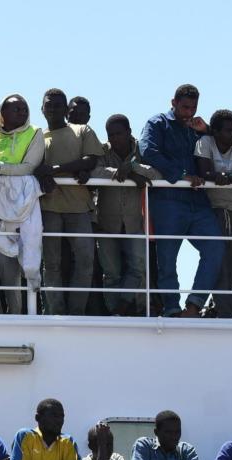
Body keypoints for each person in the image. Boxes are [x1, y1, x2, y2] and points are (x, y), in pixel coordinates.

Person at [139, 84, 224, 317]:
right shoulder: (157, 123)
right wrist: (180, 175)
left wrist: (207, 132)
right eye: (185, 107)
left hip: (198, 202)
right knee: (167, 259)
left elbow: (220, 150)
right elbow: (147, 150)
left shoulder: (196, 128)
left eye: (193, 107)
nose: (189, 112)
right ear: (173, 103)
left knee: (216, 247)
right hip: (168, 200)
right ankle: (171, 309)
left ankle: (195, 305)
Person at [35, 88, 104, 315]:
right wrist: (43, 176)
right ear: (42, 108)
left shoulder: (81, 130)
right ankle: (56, 312)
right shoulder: (36, 137)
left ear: (66, 109)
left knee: (85, 261)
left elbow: (91, 160)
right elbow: (33, 168)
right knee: (51, 263)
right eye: (49, 105)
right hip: (49, 207)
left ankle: (76, 312)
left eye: (57, 105)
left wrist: (56, 170)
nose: (53, 109)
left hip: (79, 207)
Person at [0, 94, 46, 314]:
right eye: (16, 109)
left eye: (24, 108)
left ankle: (16, 313)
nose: (22, 112)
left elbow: (29, 167)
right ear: (2, 113)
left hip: (12, 209)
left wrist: (0, 167)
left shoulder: (34, 133)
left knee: (9, 264)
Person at [91, 114, 160, 315]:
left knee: (138, 267)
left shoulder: (142, 149)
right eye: (110, 134)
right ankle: (115, 312)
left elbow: (158, 173)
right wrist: (120, 172)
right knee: (110, 272)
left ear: (129, 131)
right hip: (106, 222)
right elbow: (93, 171)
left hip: (134, 222)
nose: (114, 138)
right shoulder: (103, 150)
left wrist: (134, 167)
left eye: (118, 133)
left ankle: (126, 305)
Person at [194, 109, 232, 318]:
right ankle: (219, 308)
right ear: (215, 131)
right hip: (213, 210)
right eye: (227, 130)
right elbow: (204, 172)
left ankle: (230, 311)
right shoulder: (205, 143)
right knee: (218, 261)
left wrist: (227, 175)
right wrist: (225, 175)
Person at [8, 398, 83, 460]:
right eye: (54, 416)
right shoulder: (24, 435)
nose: (59, 421)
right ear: (37, 417)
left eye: (62, 416)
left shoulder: (68, 441)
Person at [130, 410, 206, 460]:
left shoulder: (186, 449)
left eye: (177, 432)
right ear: (156, 432)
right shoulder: (144, 445)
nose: (174, 436)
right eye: (168, 432)